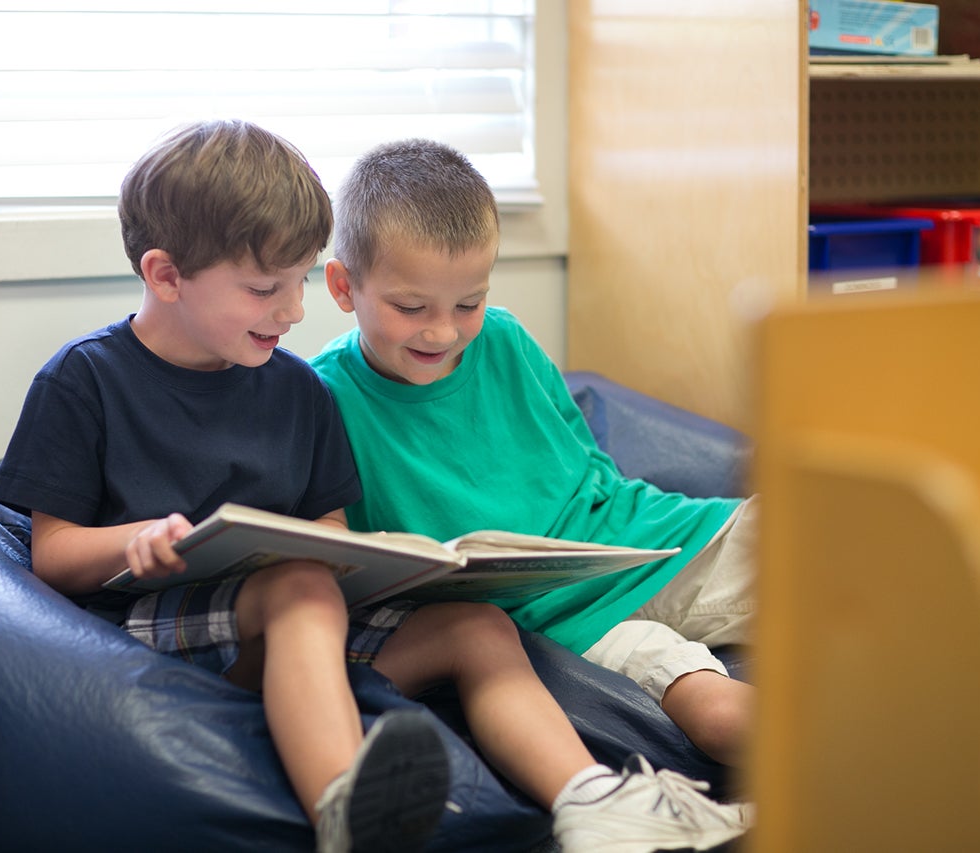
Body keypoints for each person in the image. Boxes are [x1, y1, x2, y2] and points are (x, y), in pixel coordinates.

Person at [0, 120, 750, 853]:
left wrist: (396, 563)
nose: (292, 311)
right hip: (157, 632)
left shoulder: (294, 392)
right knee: (299, 585)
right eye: (264, 290)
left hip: (294, 636)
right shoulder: (85, 380)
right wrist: (138, 540)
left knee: (478, 623)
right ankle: (344, 802)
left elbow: (332, 543)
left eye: (295, 285)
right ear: (165, 275)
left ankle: (593, 802)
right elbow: (50, 555)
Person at [311, 138, 759, 769]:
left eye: (469, 302)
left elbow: (594, 473)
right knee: (719, 716)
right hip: (563, 625)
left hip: (644, 541)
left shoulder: (505, 338)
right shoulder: (322, 399)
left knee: (861, 540)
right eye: (410, 307)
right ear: (342, 286)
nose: (443, 330)